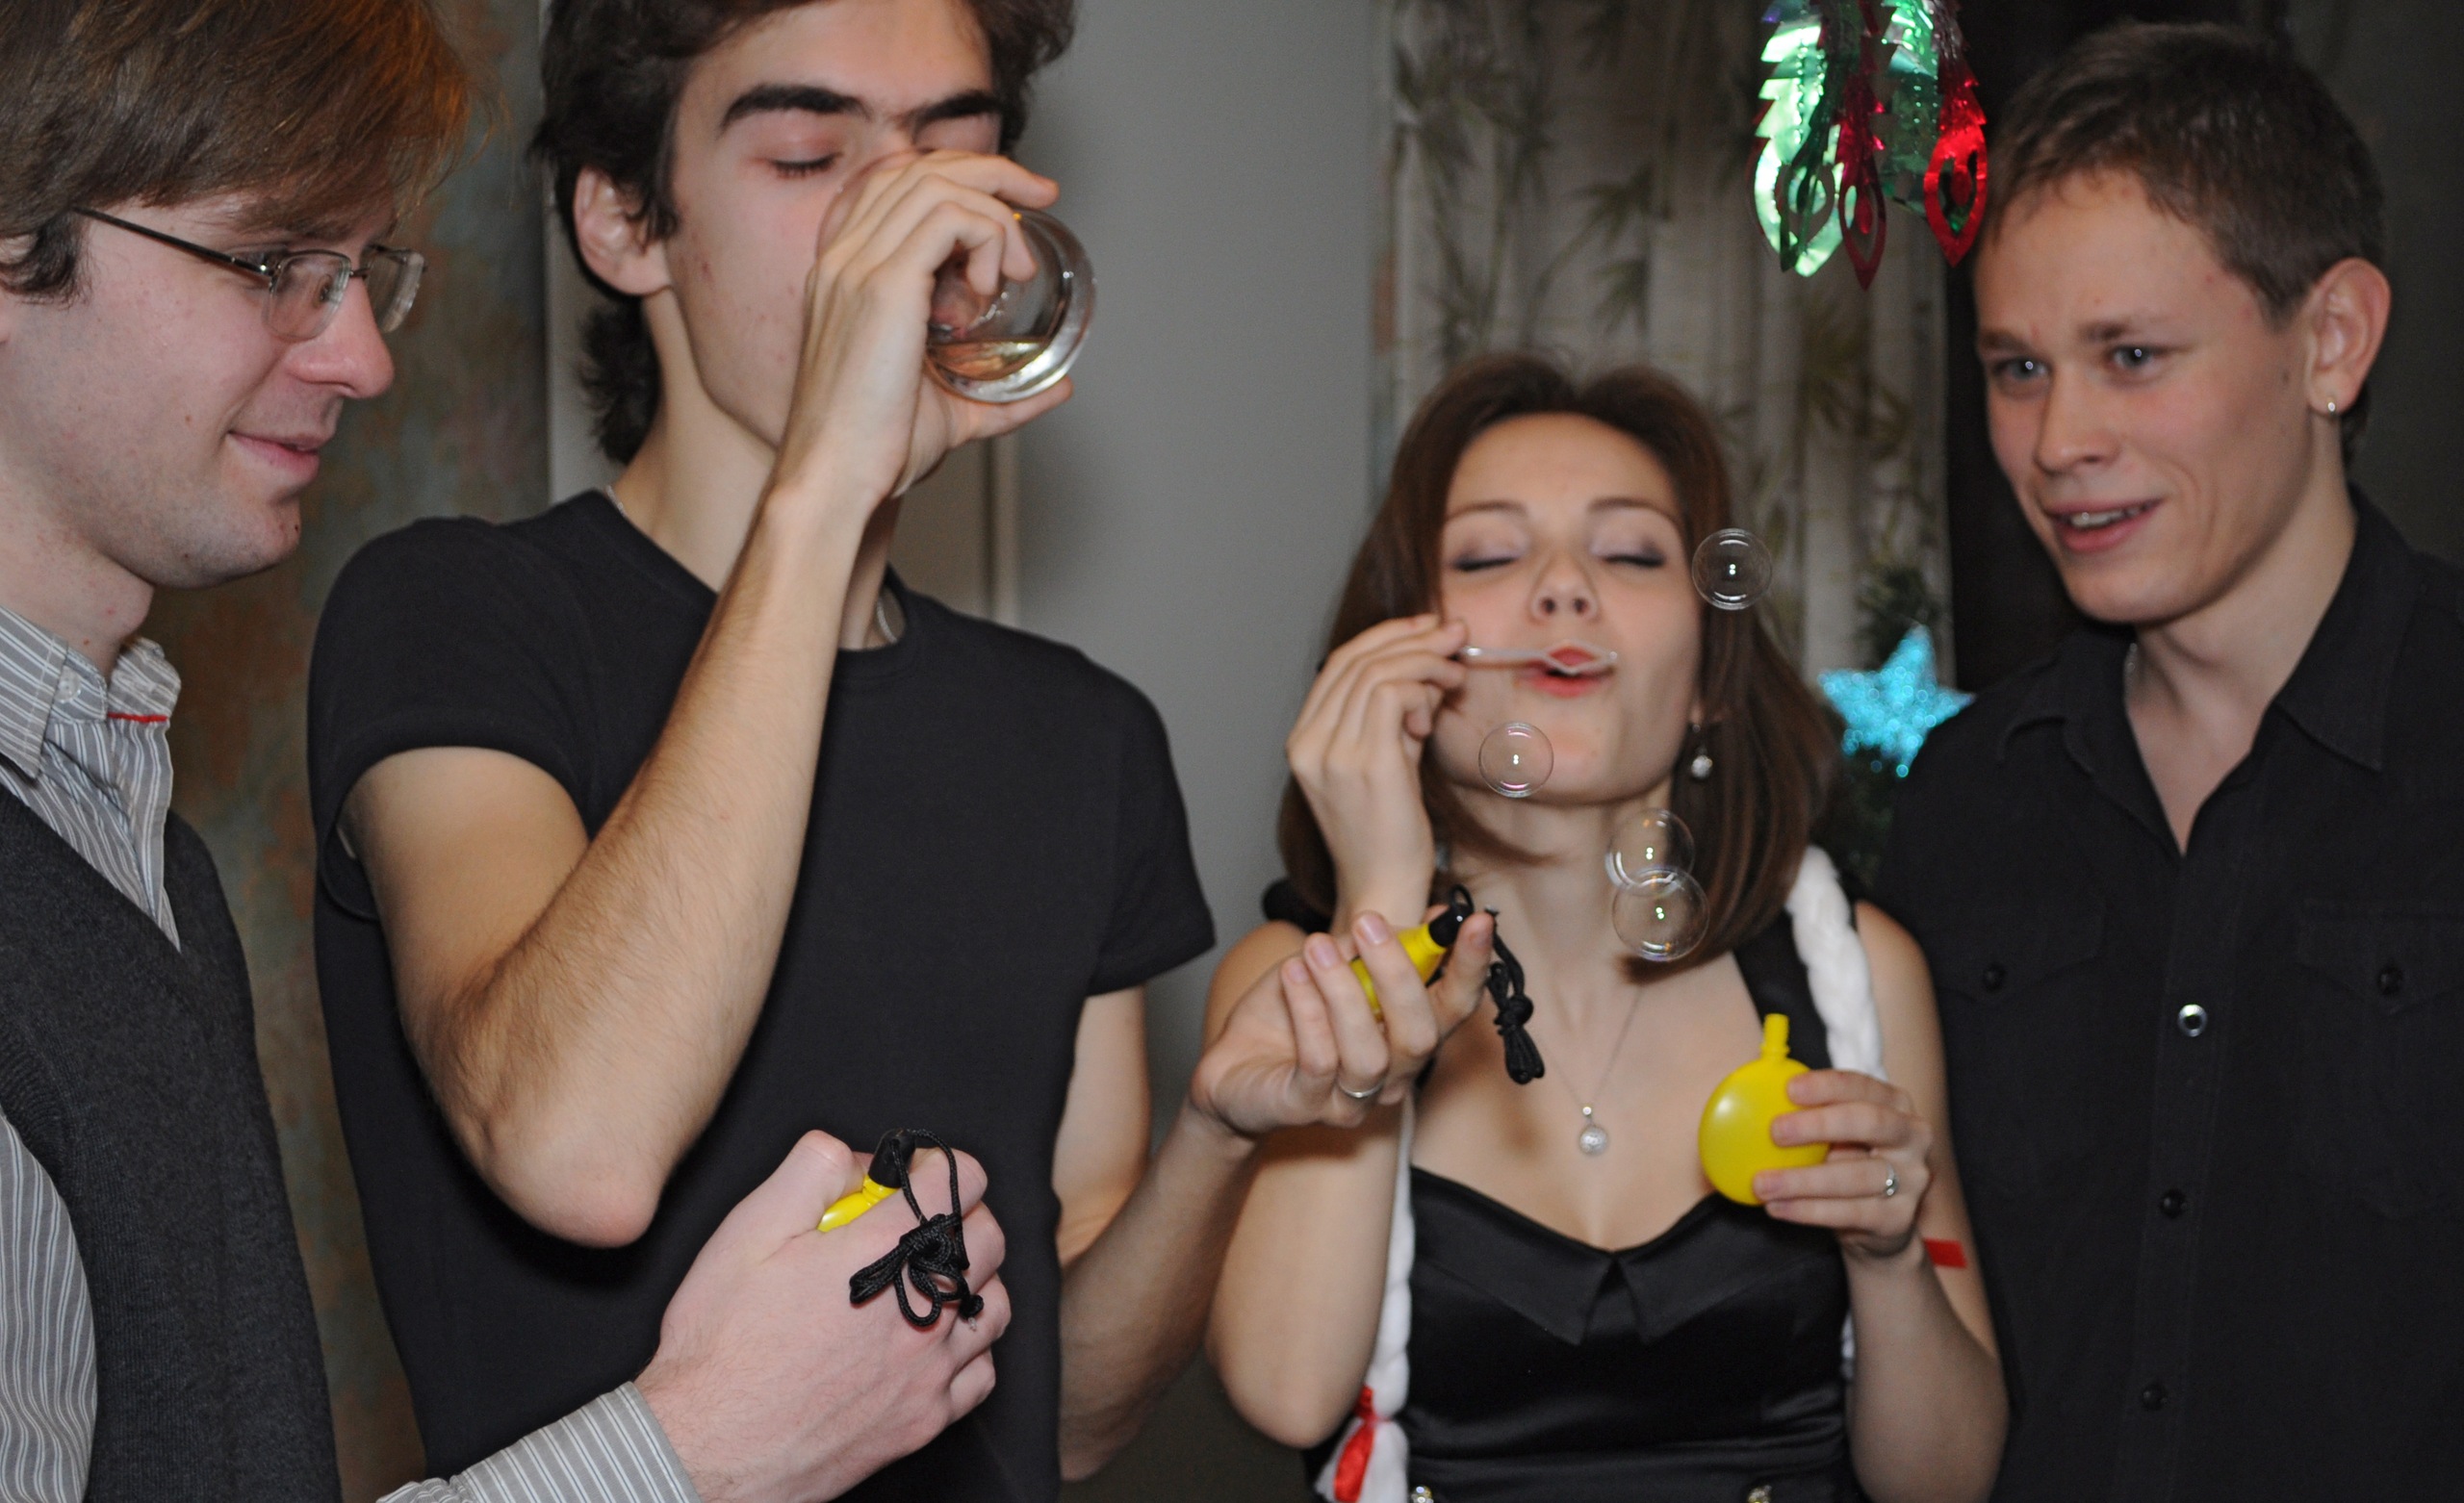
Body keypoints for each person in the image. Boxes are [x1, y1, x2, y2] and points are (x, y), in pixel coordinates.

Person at [307, 0, 1420, 1493]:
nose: (913, 234)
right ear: (624, 220)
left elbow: (1060, 1416)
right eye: (810, 158)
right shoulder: (457, 614)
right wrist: (830, 477)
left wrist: (1218, 1135)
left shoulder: (1081, 738)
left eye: (954, 156)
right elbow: (577, 1142)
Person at [0, 1, 1014, 1500]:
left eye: (361, 275)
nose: (362, 359)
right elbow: (580, 1146)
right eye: (274, 265)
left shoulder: (126, 840)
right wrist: (694, 1444)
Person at [1205, 354, 2006, 1502]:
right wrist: (1378, 885)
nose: (1563, 589)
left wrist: (1888, 1260)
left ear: (1711, 674)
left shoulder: (1856, 975)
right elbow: (1286, 1392)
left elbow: (1947, 1481)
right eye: (1489, 555)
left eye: (1630, 554)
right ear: (1398, 653)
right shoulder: (1293, 980)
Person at [1870, 21, 2453, 1500]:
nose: (2059, 438)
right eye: (2018, 367)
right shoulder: (1967, 799)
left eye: (2131, 357)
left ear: (2332, 342)